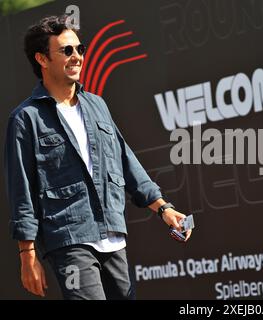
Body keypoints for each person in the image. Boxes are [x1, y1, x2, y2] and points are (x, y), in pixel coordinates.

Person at [4, 14, 192, 300]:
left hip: (113, 235)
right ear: (42, 59)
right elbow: (22, 191)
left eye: (80, 49)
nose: (77, 56)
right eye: (66, 50)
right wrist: (27, 255)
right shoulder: (25, 119)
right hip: (68, 239)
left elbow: (126, 161)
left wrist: (164, 207)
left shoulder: (97, 106)